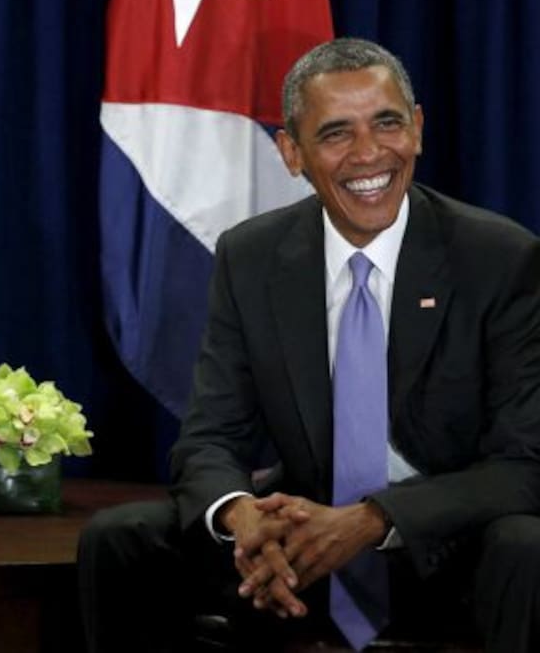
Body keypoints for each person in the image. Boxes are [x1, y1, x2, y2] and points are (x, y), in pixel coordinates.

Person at [78, 38, 540, 652]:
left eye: (387, 123)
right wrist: (243, 519)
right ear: (291, 153)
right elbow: (211, 437)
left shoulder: (498, 258)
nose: (369, 152)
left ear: (418, 129)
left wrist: (372, 520)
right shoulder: (252, 257)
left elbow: (524, 464)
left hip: (443, 547)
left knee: (527, 546)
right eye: (336, 133)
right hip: (297, 541)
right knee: (121, 537)